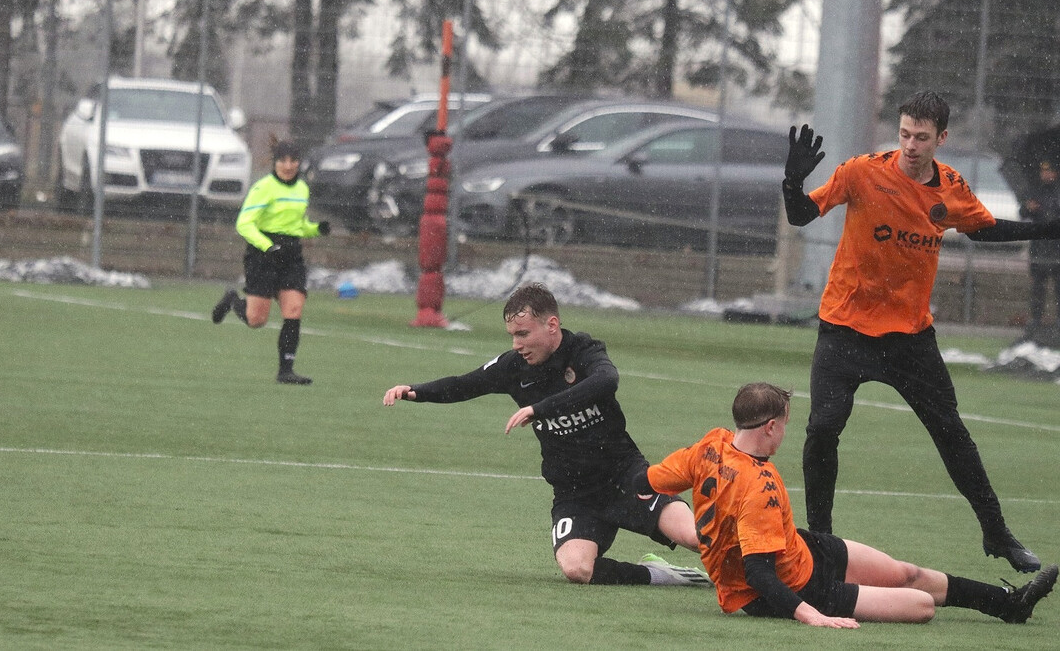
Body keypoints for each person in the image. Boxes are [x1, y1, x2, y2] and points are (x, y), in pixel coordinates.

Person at [782, 91, 1060, 573]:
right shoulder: (862, 171)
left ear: (941, 139)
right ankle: (821, 542)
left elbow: (985, 229)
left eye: (922, 137)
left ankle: (997, 533)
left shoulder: (951, 185)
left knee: (952, 433)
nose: (911, 144)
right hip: (844, 328)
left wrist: (1049, 230)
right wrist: (792, 180)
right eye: (905, 133)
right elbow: (802, 214)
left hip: (909, 338)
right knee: (823, 429)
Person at [637, 382, 1058, 627]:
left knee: (906, 573)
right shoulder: (759, 484)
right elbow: (759, 574)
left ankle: (1010, 606)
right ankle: (999, 605)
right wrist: (812, 615)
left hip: (799, 549)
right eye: (785, 425)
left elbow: (652, 480)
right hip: (792, 589)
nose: (786, 433)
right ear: (769, 427)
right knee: (923, 607)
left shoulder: (712, 443)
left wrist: (623, 484)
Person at [382, 282, 710, 588]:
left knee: (697, 538)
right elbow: (463, 384)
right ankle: (664, 575)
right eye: (512, 335)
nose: (516, 344)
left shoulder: (583, 350)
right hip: (575, 492)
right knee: (577, 569)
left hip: (627, 476)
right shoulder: (514, 366)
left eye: (523, 334)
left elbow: (606, 381)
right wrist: (414, 391)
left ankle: (752, 574)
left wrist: (541, 409)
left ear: (551, 325)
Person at [211, 136, 330, 384]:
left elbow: (297, 226)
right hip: (262, 255)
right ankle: (233, 299)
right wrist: (268, 246)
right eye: (283, 160)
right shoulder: (263, 188)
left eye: (293, 160)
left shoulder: (302, 189)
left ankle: (286, 370)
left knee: (294, 309)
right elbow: (244, 224)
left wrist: (316, 229)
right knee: (256, 320)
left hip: (291, 255)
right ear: (274, 162)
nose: (288, 165)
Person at [1021, 160, 1060, 344]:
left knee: (1058, 289)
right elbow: (1023, 212)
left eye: (1049, 171)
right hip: (1038, 250)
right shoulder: (1035, 191)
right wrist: (1028, 208)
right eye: (1043, 171)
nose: (1046, 175)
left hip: (1056, 251)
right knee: (1038, 289)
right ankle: (1036, 321)